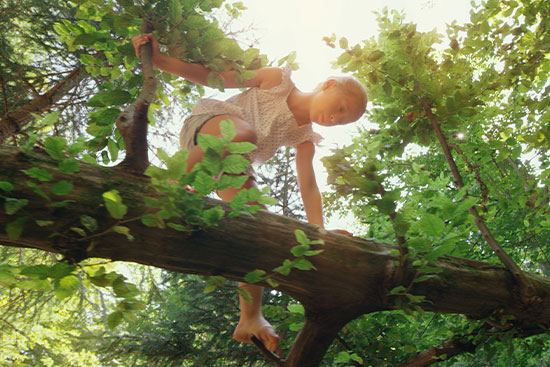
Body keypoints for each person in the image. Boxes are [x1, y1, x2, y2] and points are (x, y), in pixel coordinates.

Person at [132, 33, 367, 352]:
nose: (334, 119)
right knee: (246, 133)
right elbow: (215, 79)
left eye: (341, 121)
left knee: (258, 226)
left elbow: (308, 185)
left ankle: (250, 318)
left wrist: (318, 233)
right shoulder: (277, 81)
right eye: (340, 108)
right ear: (327, 84)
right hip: (209, 126)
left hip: (231, 161)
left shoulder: (305, 138)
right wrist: (160, 61)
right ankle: (166, 183)